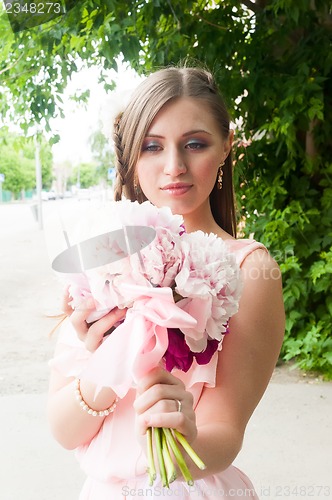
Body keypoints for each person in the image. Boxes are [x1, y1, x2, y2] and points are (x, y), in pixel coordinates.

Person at [47, 65, 285, 499]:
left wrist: (182, 437)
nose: (174, 166)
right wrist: (109, 361)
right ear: (131, 157)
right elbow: (64, 431)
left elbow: (227, 432)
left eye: (195, 144)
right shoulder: (101, 258)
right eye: (152, 147)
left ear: (226, 148)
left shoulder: (249, 269)